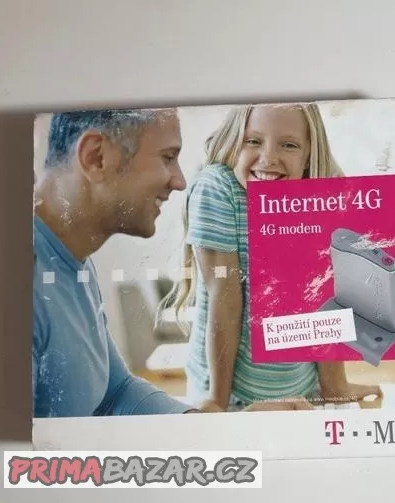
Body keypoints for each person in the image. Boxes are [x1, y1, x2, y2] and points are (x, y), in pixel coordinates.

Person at [33, 109, 313, 418]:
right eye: (167, 157)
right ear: (96, 157)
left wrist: (219, 426)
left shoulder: (73, 261)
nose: (180, 181)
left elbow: (117, 392)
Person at [165, 103, 383, 412]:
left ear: (309, 154)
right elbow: (224, 296)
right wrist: (217, 402)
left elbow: (326, 294)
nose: (268, 158)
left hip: (300, 392)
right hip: (230, 395)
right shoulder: (217, 188)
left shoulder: (319, 191)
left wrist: (335, 387)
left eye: (289, 145)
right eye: (253, 141)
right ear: (234, 140)